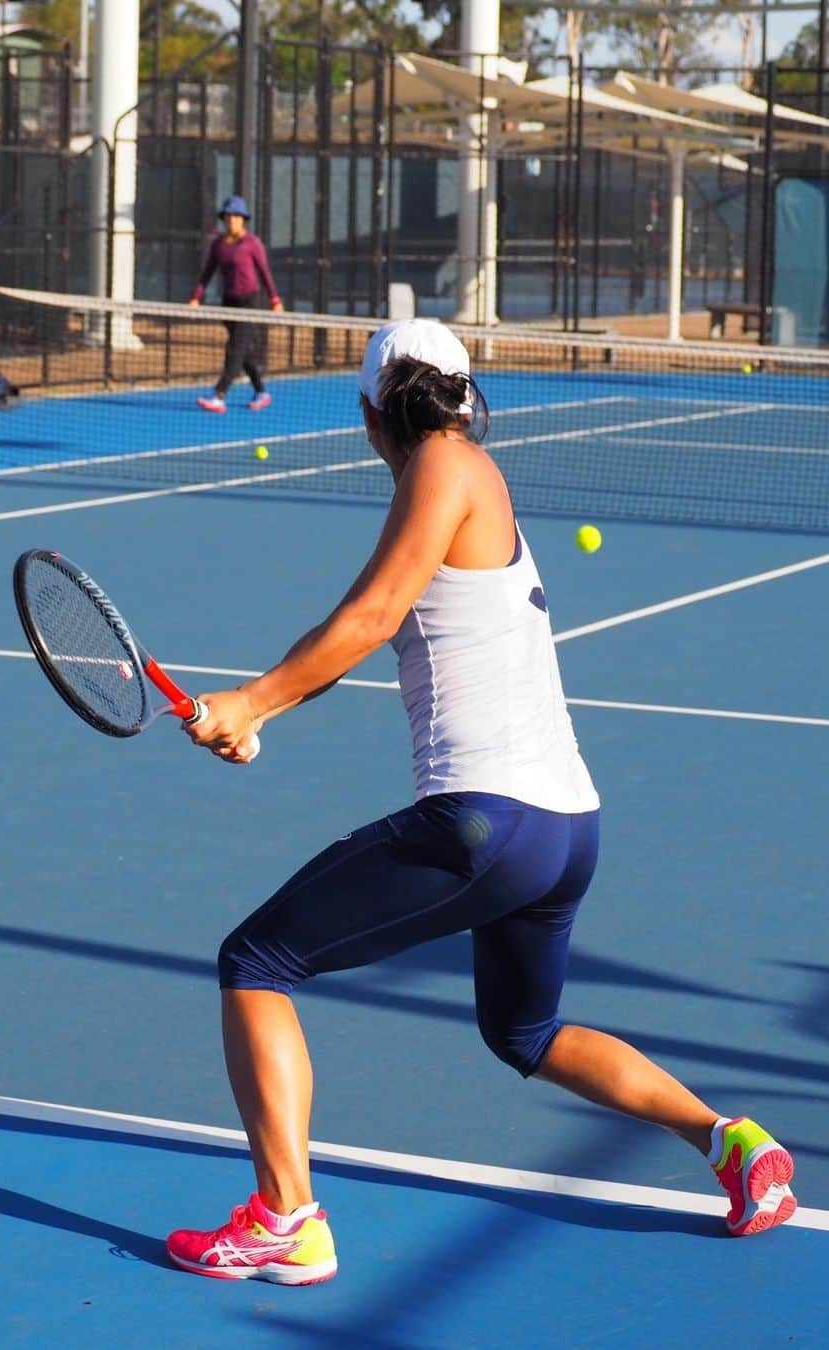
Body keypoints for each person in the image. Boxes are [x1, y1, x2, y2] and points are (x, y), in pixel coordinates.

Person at [165, 318, 798, 1284]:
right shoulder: (471, 480)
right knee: (525, 1034)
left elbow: (372, 618)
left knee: (256, 961)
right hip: (565, 828)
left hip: (484, 823)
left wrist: (252, 698)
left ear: (374, 413)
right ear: (466, 395)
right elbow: (374, 620)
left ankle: (286, 1217)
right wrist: (265, 715)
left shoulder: (442, 468)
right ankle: (733, 1144)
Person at [188, 195, 282, 413]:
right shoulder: (218, 245)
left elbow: (265, 273)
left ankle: (220, 395)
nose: (232, 220)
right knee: (242, 350)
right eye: (228, 217)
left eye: (236, 216)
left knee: (235, 349)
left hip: (250, 302)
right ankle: (261, 390)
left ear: (243, 219)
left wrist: (275, 299)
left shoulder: (253, 244)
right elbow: (206, 274)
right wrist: (195, 297)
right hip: (229, 303)